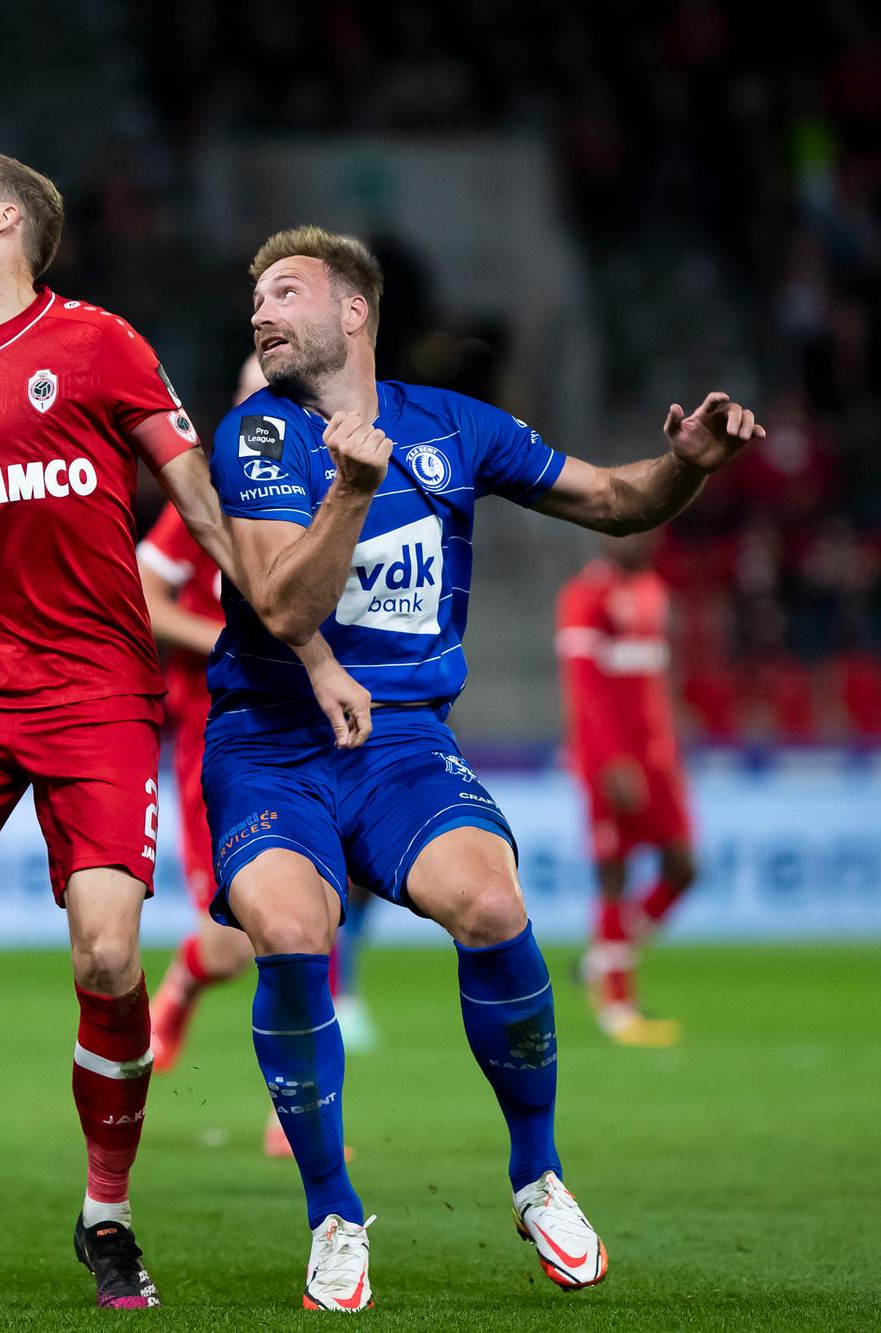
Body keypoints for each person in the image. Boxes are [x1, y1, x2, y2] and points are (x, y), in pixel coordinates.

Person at [0, 146, 369, 1310]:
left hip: (97, 690)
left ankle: (104, 1213)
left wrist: (306, 646)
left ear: (2, 220)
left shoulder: (101, 345)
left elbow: (204, 511)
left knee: (108, 955)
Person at [206, 226, 762, 1310]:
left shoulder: (452, 427)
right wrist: (351, 495)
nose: (260, 312)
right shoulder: (258, 437)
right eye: (254, 297)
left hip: (403, 740)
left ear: (352, 311)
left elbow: (611, 499)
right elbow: (280, 609)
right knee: (287, 929)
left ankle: (536, 1173)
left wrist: (687, 470)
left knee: (491, 901)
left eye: (284, 292)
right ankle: (330, 1211)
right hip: (269, 744)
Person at [143, 356, 381, 1139]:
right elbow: (144, 601)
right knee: (249, 928)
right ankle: (185, 979)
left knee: (325, 900)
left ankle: (303, 1102)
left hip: (318, 723)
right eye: (255, 396)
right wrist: (236, 643)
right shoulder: (206, 499)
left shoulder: (341, 492)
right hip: (225, 730)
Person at [556, 530, 695, 1046]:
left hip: (659, 758)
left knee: (684, 868)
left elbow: (653, 681)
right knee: (613, 874)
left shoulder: (654, 590)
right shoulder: (585, 595)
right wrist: (610, 759)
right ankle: (618, 1006)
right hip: (608, 760)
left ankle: (601, 959)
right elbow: (584, 687)